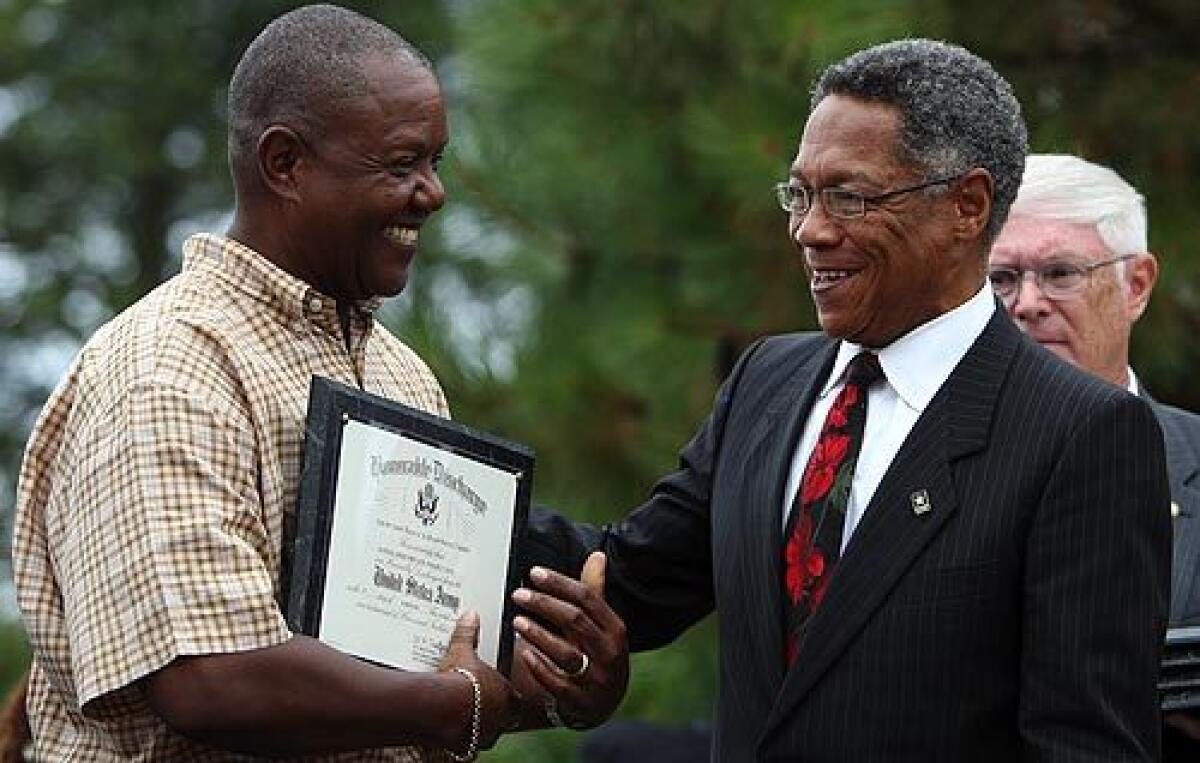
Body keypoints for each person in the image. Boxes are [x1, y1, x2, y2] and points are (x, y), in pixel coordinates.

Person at [526, 39, 1172, 760]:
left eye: (850, 197)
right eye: (799, 193)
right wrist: (435, 491)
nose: (810, 229)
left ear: (967, 205)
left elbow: (1084, 745)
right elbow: (627, 579)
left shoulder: (1081, 433)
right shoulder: (766, 381)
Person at [10, 4, 625, 760]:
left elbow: (433, 671)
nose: (433, 193)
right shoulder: (166, 370)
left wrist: (556, 686)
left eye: (436, 162)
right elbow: (208, 677)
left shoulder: (402, 375)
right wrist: (452, 700)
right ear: (285, 164)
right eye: (402, 165)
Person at [989, 153, 1200, 760]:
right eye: (1001, 279)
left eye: (1060, 274)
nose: (1027, 302)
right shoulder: (907, 474)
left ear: (1135, 286)